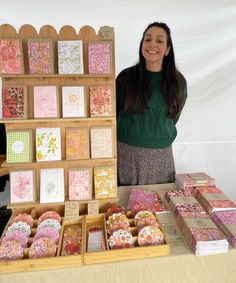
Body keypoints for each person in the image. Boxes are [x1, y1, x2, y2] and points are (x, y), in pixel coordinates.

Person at [116, 22, 187, 186]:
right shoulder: (125, 78)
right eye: (147, 39)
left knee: (159, 207)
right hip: (126, 154)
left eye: (160, 41)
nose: (152, 44)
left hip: (161, 157)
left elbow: (173, 117)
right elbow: (113, 112)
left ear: (167, 49)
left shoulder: (178, 82)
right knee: (125, 208)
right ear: (142, 45)